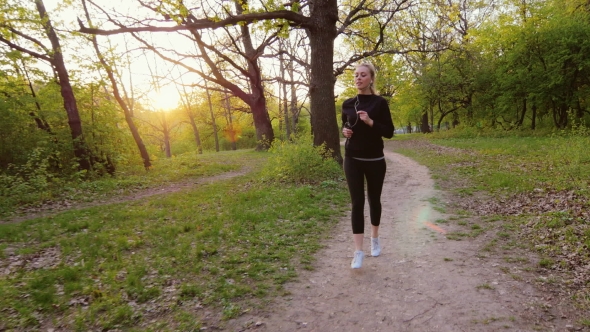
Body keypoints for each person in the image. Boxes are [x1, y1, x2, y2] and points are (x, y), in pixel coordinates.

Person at [341, 62, 394, 269]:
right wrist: (345, 132)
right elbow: (345, 125)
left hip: (375, 160)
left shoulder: (379, 103)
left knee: (374, 200)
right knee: (357, 203)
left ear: (371, 78)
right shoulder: (347, 103)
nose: (358, 78)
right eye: (356, 75)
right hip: (352, 159)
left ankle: (375, 239)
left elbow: (389, 131)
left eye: (363, 75)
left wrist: (371, 122)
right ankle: (358, 252)